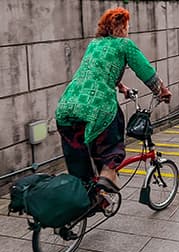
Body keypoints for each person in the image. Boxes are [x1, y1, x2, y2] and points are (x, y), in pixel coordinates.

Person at [55, 7, 172, 191]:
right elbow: (146, 71)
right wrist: (162, 91)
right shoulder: (125, 44)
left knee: (79, 157)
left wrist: (121, 87)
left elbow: (98, 71)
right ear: (122, 27)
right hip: (97, 105)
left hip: (66, 105)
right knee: (115, 123)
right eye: (128, 26)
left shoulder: (95, 44)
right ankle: (109, 172)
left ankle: (87, 196)